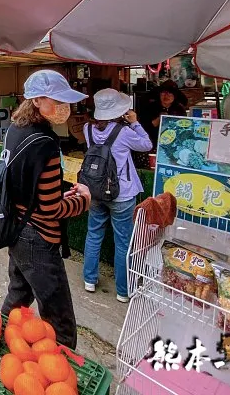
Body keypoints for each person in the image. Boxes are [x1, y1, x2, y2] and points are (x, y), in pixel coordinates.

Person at [0, 70, 91, 349]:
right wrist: (82, 200)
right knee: (59, 316)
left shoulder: (15, 131)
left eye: (67, 101)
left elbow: (31, 189)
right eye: (58, 100)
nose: (66, 108)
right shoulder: (46, 144)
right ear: (37, 101)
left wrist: (56, 192)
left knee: (18, 296)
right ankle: (62, 371)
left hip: (16, 230)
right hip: (39, 238)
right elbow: (50, 208)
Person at [82, 89, 153, 303]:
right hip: (120, 194)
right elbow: (147, 145)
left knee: (94, 234)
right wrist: (135, 123)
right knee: (123, 242)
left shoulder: (87, 129)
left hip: (94, 190)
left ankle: (89, 280)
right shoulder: (124, 132)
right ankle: (123, 290)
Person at [143, 80, 188, 148]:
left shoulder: (179, 109)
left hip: (173, 144)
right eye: (163, 92)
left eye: (170, 93)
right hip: (152, 144)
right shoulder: (150, 107)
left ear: (174, 96)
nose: (166, 95)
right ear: (159, 94)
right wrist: (159, 119)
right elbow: (143, 128)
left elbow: (183, 127)